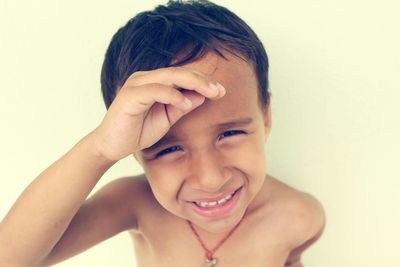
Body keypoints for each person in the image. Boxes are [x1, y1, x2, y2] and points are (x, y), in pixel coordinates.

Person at [0, 1, 325, 266]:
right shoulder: (133, 204)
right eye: (168, 149)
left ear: (266, 116)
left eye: (230, 133)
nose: (210, 178)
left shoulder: (299, 216)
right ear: (134, 148)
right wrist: (100, 149)